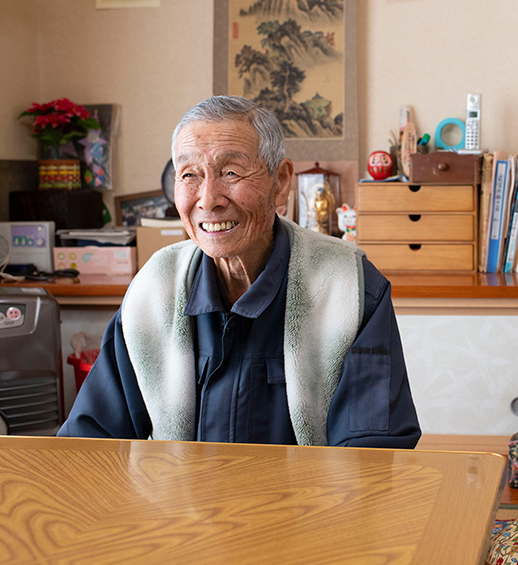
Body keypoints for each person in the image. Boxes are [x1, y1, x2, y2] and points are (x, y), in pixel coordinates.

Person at [59, 96, 420, 448]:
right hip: (177, 508)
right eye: (190, 175)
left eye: (230, 172)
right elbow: (90, 445)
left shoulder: (349, 287)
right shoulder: (155, 288)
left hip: (309, 508)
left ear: (280, 182)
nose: (208, 199)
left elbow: (371, 456)